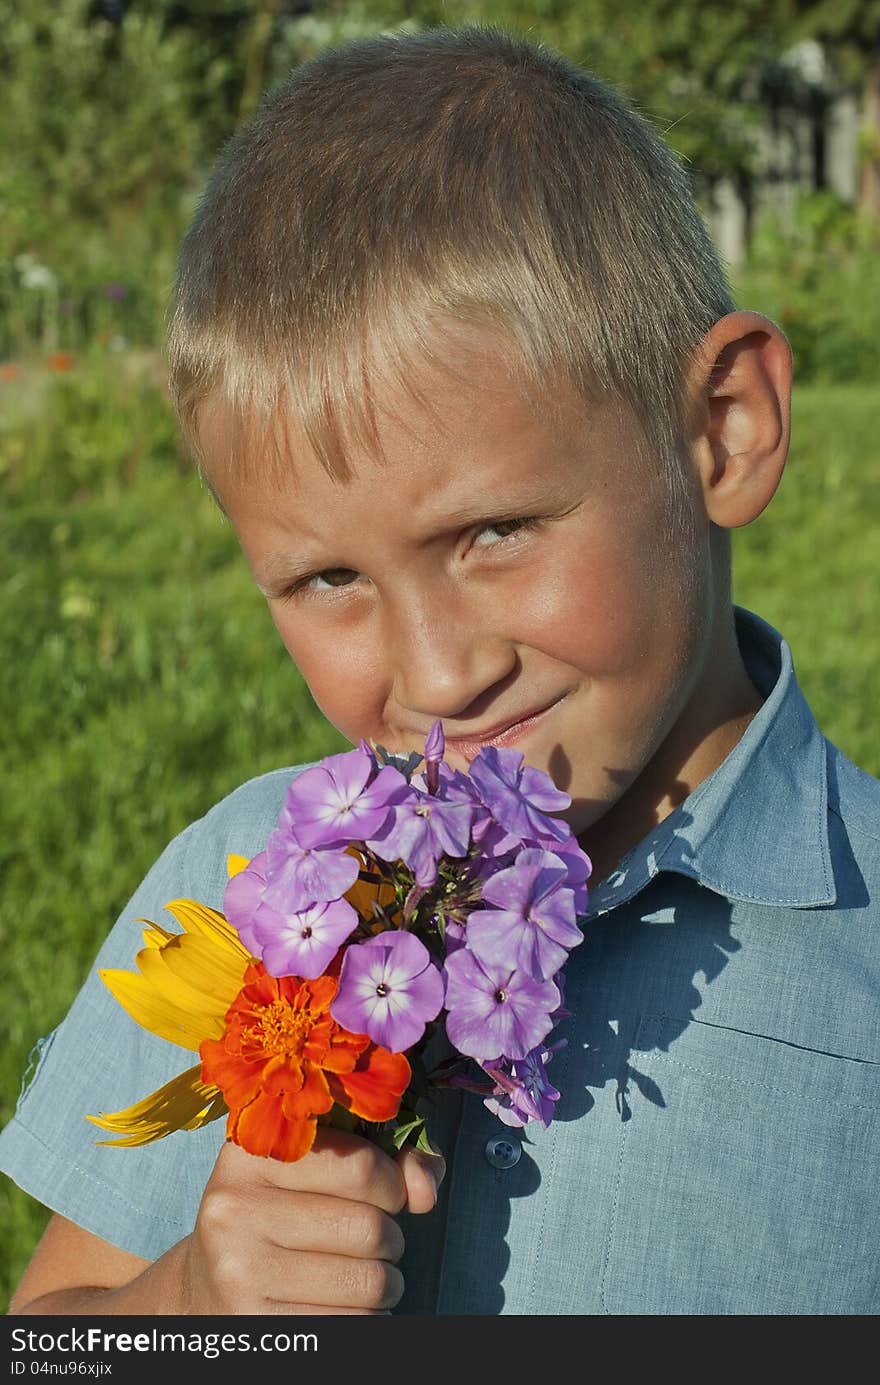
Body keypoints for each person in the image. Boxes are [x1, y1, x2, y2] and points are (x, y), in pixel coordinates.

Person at [2, 24, 878, 1318]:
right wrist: (194, 1298)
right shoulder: (243, 884)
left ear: (722, 430)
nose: (434, 672)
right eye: (330, 580)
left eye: (491, 533)